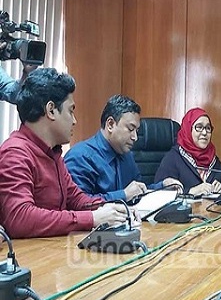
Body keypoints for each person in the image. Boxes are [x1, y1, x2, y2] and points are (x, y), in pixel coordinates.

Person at [0, 68, 128, 238]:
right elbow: (20, 219)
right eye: (71, 110)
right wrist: (91, 218)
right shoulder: (15, 153)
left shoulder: (53, 153)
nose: (74, 121)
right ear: (51, 110)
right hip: (30, 253)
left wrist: (114, 209)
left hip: (52, 248)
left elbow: (77, 200)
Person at [64, 95, 181, 202]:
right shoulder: (80, 157)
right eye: (130, 129)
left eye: (137, 131)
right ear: (110, 124)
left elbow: (138, 191)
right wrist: (123, 195)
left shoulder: (126, 155)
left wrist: (162, 187)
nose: (135, 137)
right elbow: (79, 204)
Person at [155, 107, 221, 196]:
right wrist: (190, 191)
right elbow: (159, 193)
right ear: (188, 129)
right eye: (199, 127)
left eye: (208, 128)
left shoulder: (215, 162)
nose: (204, 132)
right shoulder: (172, 159)